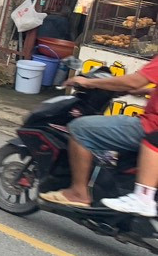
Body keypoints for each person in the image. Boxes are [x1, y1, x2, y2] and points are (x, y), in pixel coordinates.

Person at [40, 62, 158, 208]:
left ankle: (78, 193)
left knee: (80, 129)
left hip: (150, 126)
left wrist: (89, 82)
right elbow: (135, 85)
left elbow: (133, 81)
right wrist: (144, 91)